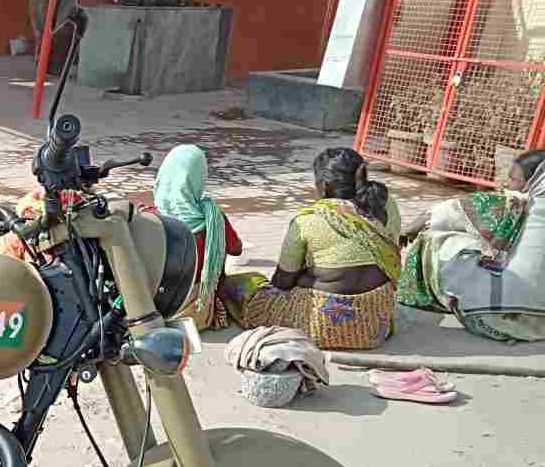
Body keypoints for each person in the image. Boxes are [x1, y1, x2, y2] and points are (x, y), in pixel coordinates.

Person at [221, 147, 401, 350]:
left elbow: (282, 282)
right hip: (375, 326)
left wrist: (305, 277)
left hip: (319, 326)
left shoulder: (308, 220)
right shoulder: (386, 206)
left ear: (323, 185)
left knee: (241, 284)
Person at [397, 149, 545, 343]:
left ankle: (425, 299)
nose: (506, 184)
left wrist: (410, 228)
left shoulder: (515, 202)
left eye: (514, 179)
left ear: (534, 181)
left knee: (434, 239)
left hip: (496, 320)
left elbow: (447, 213)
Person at [141, 144, 244, 330]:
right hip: (195, 313)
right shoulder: (212, 218)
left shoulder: (147, 218)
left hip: (149, 310)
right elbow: (236, 249)